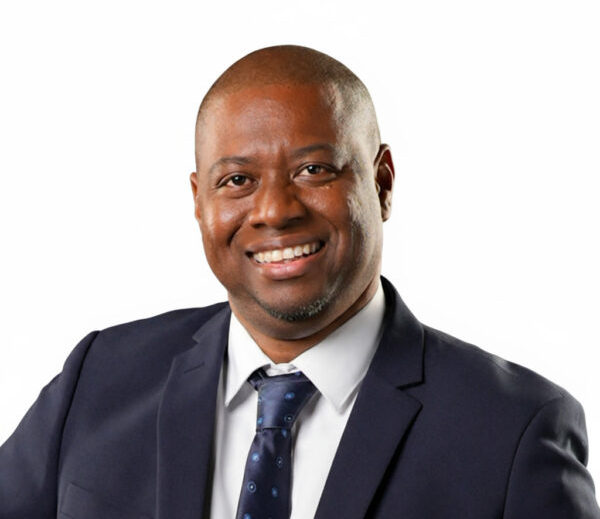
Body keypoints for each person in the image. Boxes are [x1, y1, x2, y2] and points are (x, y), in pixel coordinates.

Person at [0, 45, 598, 518]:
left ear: (382, 183)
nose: (274, 210)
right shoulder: (100, 377)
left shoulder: (513, 431)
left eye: (314, 170)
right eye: (237, 180)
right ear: (198, 200)